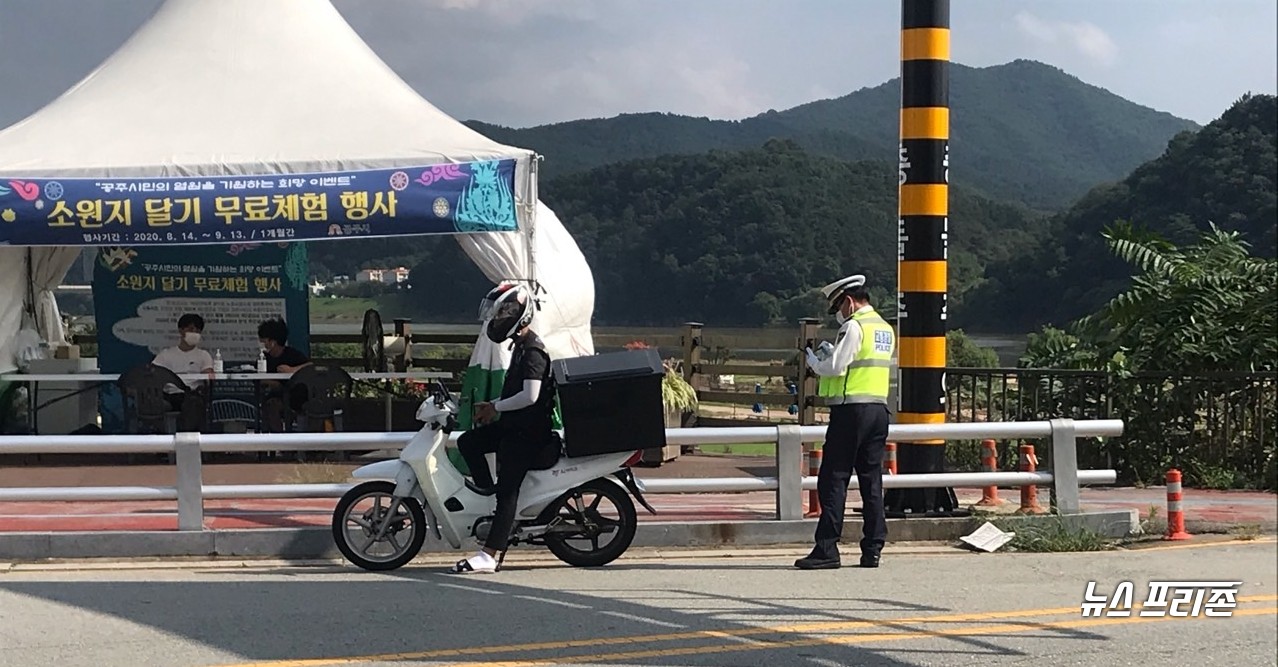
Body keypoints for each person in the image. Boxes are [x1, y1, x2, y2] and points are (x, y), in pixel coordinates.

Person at [450, 282, 560, 574]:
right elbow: (517, 393)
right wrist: (492, 406)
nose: (499, 320)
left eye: (505, 313)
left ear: (520, 315)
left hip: (528, 434)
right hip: (513, 426)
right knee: (469, 442)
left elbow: (530, 396)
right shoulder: (520, 347)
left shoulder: (533, 351)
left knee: (507, 491)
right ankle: (486, 495)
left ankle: (491, 553)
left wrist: (496, 407)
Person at [795, 274, 895, 570]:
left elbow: (836, 367)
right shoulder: (884, 328)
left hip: (851, 411)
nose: (838, 313)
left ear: (849, 301)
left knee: (833, 478)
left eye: (839, 306)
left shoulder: (854, 326)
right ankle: (873, 548)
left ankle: (827, 548)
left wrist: (815, 361)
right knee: (871, 479)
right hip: (878, 411)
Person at [151, 313, 213, 430]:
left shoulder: (204, 355)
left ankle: (186, 439)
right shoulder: (166, 354)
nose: (194, 332)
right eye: (190, 329)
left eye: (197, 330)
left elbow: (209, 376)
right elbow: (152, 374)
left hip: (192, 395)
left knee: (194, 403)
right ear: (181, 330)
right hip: (169, 395)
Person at [257, 318, 312, 431]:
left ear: (272, 342)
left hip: (296, 398)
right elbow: (260, 378)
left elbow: (310, 366)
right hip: (276, 396)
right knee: (270, 405)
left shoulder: (292, 354)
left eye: (263, 340)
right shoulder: (263, 359)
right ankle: (277, 438)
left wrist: (292, 370)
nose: (261, 343)